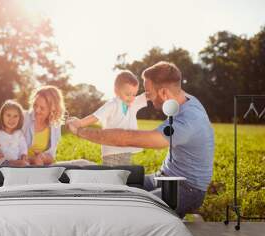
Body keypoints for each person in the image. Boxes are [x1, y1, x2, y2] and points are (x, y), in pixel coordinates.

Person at [67, 61, 214, 218]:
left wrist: (80, 131)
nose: (147, 96)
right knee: (115, 185)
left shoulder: (188, 120)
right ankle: (177, 216)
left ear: (164, 93)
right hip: (162, 177)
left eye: (149, 92)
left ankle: (185, 216)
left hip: (188, 189)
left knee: (131, 212)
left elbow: (127, 139)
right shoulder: (184, 99)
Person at [67, 70, 147, 166]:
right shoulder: (112, 104)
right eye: (127, 94)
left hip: (126, 149)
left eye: (134, 94)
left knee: (123, 174)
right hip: (111, 150)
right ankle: (85, 166)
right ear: (116, 91)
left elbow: (147, 96)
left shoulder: (132, 104)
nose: (131, 98)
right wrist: (80, 123)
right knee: (110, 173)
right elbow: (96, 116)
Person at [0, 85, 66, 166]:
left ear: (53, 109)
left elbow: (51, 157)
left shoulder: (55, 126)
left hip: (36, 167)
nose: (37, 110)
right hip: (13, 164)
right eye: (35, 105)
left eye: (42, 108)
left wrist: (42, 157)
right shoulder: (21, 117)